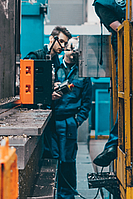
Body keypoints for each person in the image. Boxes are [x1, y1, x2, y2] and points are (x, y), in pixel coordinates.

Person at [80, 0, 126, 167]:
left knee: (124, 97)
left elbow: (121, 28)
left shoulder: (101, 3)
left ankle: (113, 144)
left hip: (127, 53)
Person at [47, 37, 92, 199]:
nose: (72, 52)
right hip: (51, 121)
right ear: (64, 48)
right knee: (51, 157)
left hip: (69, 122)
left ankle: (67, 194)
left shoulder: (83, 75)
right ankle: (51, 193)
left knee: (68, 159)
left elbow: (87, 102)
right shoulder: (53, 67)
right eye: (70, 48)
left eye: (76, 50)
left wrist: (77, 120)